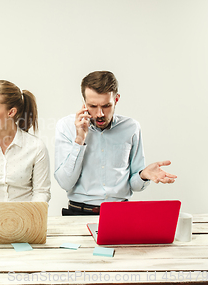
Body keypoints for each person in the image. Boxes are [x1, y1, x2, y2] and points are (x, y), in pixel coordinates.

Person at [54, 71, 177, 216]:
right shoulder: (66, 126)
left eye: (106, 106)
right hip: (79, 213)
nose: (100, 114)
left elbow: (134, 185)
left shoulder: (131, 128)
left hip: (120, 214)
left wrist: (143, 175)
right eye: (93, 106)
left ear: (116, 99)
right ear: (84, 103)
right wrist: (79, 140)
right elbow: (65, 183)